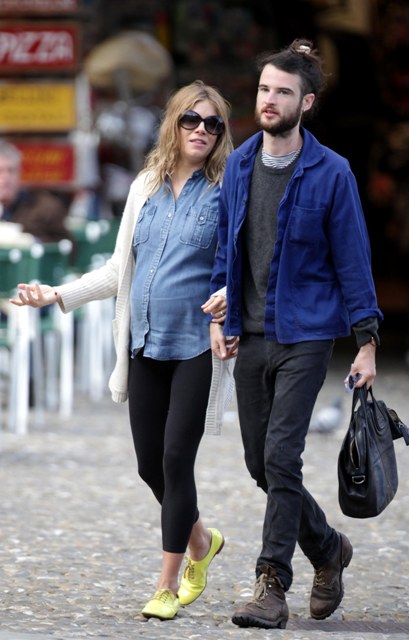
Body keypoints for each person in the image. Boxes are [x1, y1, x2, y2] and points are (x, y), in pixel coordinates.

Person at [10, 80, 237, 621]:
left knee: (177, 460)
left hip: (197, 346)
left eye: (213, 124)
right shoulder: (144, 187)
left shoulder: (229, 188)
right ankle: (202, 541)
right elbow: (118, 270)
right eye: (191, 119)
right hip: (145, 343)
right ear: (173, 123)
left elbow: (246, 263)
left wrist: (232, 295)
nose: (201, 130)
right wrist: (58, 294)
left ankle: (166, 584)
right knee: (149, 466)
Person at [209, 39, 383, 630]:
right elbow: (226, 250)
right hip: (252, 334)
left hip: (305, 335)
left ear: (305, 102)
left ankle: (271, 584)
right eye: (264, 89)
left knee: (283, 456)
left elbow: (353, 260)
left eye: (283, 91)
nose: (269, 99)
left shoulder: (332, 172)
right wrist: (219, 317)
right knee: (262, 465)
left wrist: (366, 343)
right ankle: (329, 549)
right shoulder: (239, 165)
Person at [0, 141, 70, 243]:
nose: (6, 178)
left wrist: (31, 241)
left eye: (11, 171)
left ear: (20, 173)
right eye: (0, 171)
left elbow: (65, 246)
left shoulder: (45, 208)